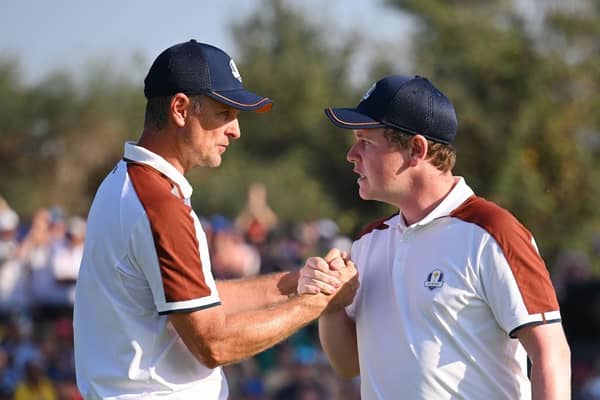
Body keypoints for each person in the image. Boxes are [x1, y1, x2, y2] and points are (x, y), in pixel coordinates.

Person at [72, 40, 358, 399]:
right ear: (180, 108)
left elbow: (203, 301)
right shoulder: (159, 205)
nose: (236, 130)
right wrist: (317, 303)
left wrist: (298, 282)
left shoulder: (127, 182)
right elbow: (213, 344)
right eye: (225, 113)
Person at [318, 75, 571, 399]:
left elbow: (551, 355)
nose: (352, 154)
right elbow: (348, 364)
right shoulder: (368, 242)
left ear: (416, 149)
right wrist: (329, 304)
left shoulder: (494, 232)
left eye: (366, 141)